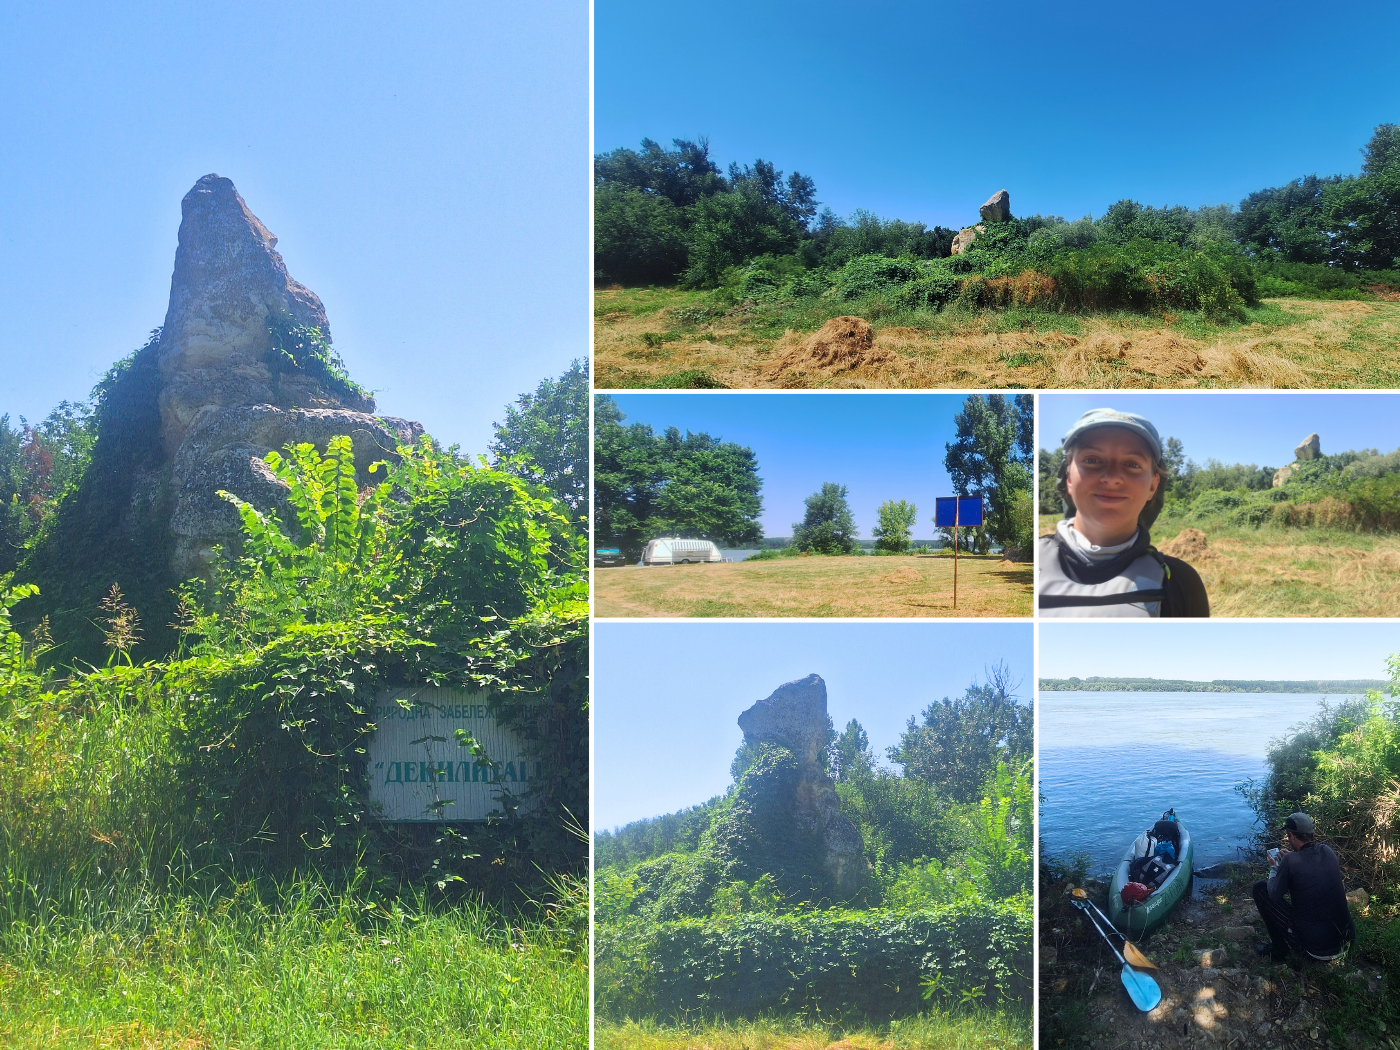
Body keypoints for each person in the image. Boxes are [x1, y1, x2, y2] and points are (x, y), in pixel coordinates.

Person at [1037, 408, 1209, 617]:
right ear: (1069, 479)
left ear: (1153, 486)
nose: (1112, 477)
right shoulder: (1030, 566)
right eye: (1092, 460)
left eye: (1132, 464)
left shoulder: (1180, 583)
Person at [1253, 812, 1355, 964]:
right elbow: (1309, 867)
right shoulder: (1327, 851)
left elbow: (1274, 895)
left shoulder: (1290, 860)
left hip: (1315, 950)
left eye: (1288, 835)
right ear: (1312, 834)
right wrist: (1293, 858)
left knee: (1260, 889)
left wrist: (1274, 869)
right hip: (1346, 942)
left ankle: (1279, 950)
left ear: (1292, 836)